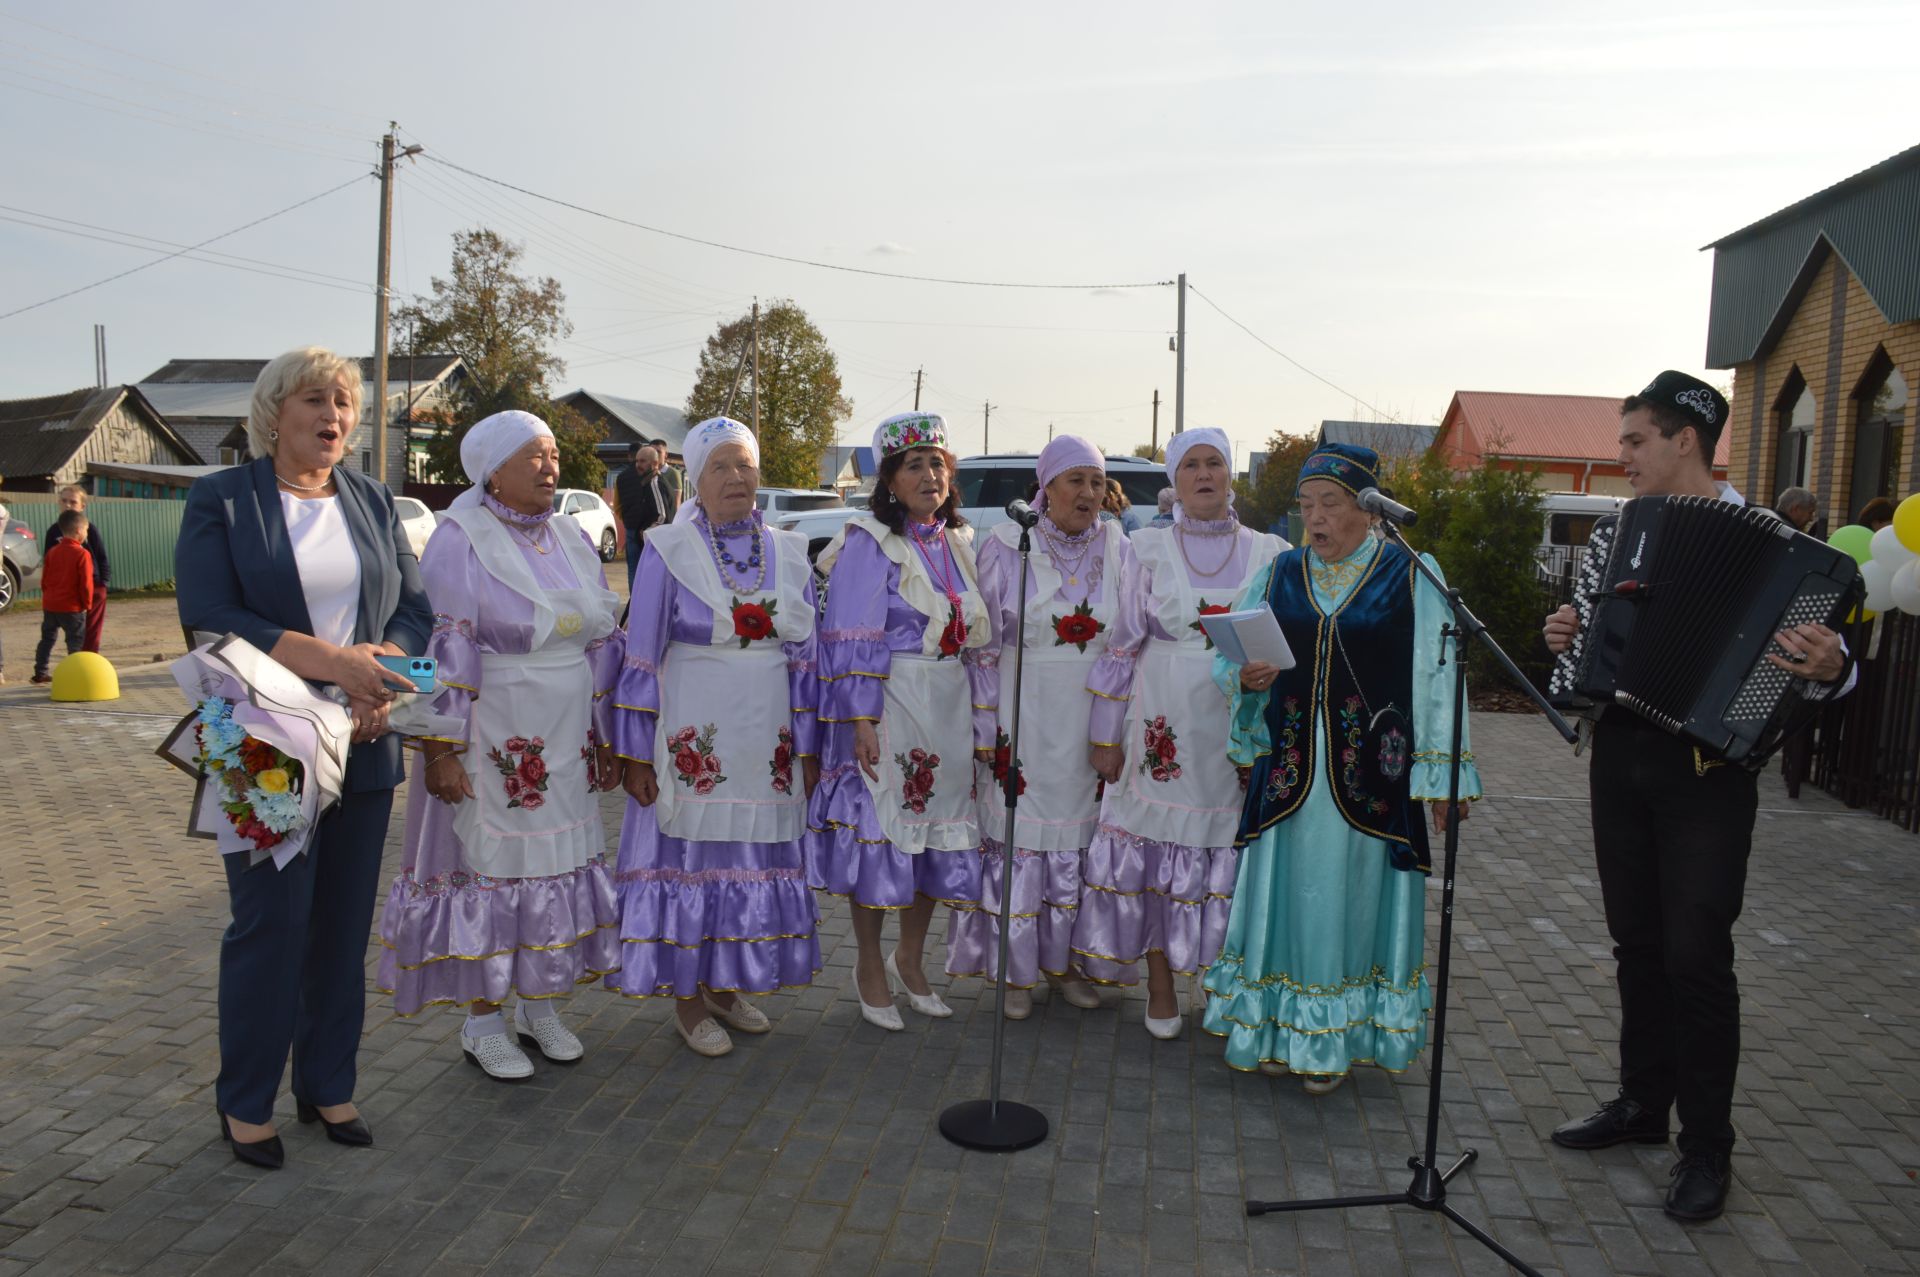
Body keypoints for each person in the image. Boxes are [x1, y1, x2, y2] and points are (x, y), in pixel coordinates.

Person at [1543, 371, 1854, 1222]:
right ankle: (1643, 1105)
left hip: (1710, 775)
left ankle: (1707, 1146)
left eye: (1636, 442)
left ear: (1686, 439)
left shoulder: (1775, 542)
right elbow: (1588, 635)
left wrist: (1835, 666)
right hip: (1623, 754)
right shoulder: (1620, 534)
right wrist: (1564, 635)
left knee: (1697, 957)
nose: (1624, 459)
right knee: (1635, 942)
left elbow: (1826, 664)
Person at [176, 346, 432, 1168]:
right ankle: (244, 1100)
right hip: (258, 742)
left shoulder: (369, 499)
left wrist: (380, 674)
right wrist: (337, 666)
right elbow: (209, 613)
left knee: (340, 927)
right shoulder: (222, 498)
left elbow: (416, 609)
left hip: (363, 738)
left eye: (346, 403)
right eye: (316, 400)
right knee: (271, 925)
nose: (334, 416)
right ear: (275, 412)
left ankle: (326, 1082)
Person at [1201, 441, 1475, 1094]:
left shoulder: (1409, 573)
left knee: (1346, 906)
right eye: (1305, 505)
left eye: (1330, 503)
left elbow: (1438, 678)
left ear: (1369, 510)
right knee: (1280, 902)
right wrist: (1247, 675)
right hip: (1288, 772)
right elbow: (1226, 653)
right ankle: (1271, 1027)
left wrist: (1443, 777)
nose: (1315, 518)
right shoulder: (1279, 572)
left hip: (1371, 781)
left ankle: (1332, 1041)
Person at [377, 410, 624, 1080]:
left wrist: (606, 736)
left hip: (563, 741)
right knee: (494, 871)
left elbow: (601, 641)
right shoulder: (460, 538)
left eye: (552, 455)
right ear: (493, 469)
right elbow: (436, 646)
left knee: (553, 867)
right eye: (534, 456)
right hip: (493, 739)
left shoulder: (572, 535)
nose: (550, 467)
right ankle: (482, 1018)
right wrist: (437, 748)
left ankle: (538, 1005)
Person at [606, 418, 820, 1055]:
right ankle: (688, 1000)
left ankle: (726, 987)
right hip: (692, 736)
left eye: (745, 466)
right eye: (721, 467)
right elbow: (641, 653)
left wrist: (808, 748)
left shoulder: (788, 550)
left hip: (766, 740)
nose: (736, 478)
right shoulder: (668, 550)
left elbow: (808, 658)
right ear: (694, 479)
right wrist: (636, 753)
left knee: (748, 858)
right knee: (691, 861)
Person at [1074, 430, 1286, 1037]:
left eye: (1214, 462)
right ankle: (1162, 987)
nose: (1203, 474)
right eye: (1190, 464)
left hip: (1237, 725)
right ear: (1174, 479)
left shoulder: (1271, 550)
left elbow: (1286, 639)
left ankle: (1221, 988)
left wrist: (1268, 670)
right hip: (1161, 718)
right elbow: (1121, 645)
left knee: (1229, 860)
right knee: (1155, 859)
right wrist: (1105, 736)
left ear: (1230, 475)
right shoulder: (1147, 548)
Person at [807, 412, 993, 1031]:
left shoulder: (960, 543)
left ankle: (910, 959)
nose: (930, 474)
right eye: (914, 464)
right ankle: (866, 964)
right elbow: (850, 635)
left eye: (938, 463)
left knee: (936, 840)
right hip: (894, 704)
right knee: (884, 839)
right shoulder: (869, 542)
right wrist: (860, 718)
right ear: (888, 479)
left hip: (949, 703)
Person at [946, 435, 1128, 1018]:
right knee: (1020, 840)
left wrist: (1112, 730)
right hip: (1022, 714)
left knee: (1079, 839)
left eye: (1097, 483)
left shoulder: (1120, 548)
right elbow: (983, 647)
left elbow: (1127, 644)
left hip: (1089, 714)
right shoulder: (1007, 545)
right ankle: (1016, 972)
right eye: (1075, 480)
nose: (1088, 493)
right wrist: (983, 731)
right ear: (1044, 488)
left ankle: (1067, 965)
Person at [32, 509, 94, 684]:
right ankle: (75, 675)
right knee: (75, 642)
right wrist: (87, 604)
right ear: (79, 531)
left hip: (51, 605)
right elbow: (86, 584)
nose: (87, 533)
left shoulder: (52, 552)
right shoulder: (82, 554)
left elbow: (44, 579)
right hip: (72, 607)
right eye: (86, 530)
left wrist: (48, 598)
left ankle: (40, 672)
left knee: (47, 640)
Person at [47, 485, 109, 653]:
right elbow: (48, 562)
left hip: (93, 585)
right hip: (68, 591)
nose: (68, 505)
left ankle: (90, 660)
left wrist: (103, 583)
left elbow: (101, 556)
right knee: (72, 632)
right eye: (64, 501)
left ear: (82, 506)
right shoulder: (54, 532)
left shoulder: (89, 529)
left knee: (92, 630)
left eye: (73, 502)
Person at [615, 439, 672, 591]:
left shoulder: (654, 482)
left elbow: (662, 516)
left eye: (642, 461)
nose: (638, 465)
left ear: (654, 463)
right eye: (637, 461)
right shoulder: (647, 481)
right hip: (638, 531)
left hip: (651, 538)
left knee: (642, 573)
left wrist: (646, 532)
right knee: (638, 571)